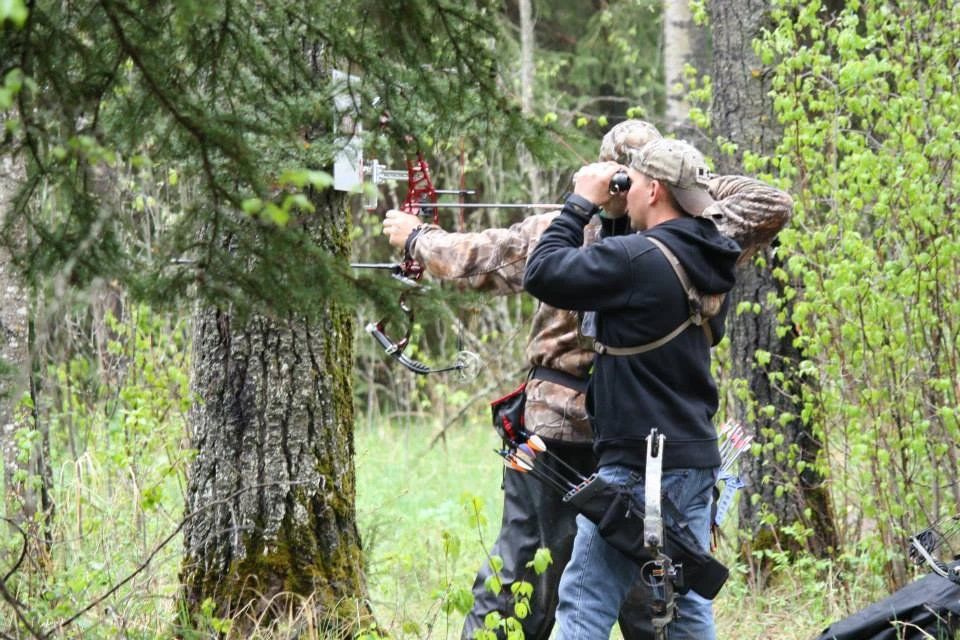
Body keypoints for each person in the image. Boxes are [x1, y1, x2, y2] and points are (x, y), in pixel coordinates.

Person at [382, 124, 792, 639]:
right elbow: (479, 256)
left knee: (626, 588)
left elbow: (770, 201)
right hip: (569, 433)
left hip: (630, 443)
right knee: (538, 568)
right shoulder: (698, 235)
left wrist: (668, 176)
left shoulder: (650, 235)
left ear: (650, 186)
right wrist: (421, 239)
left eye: (635, 178)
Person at [523, 138, 744, 639]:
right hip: (694, 459)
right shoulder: (709, 257)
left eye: (636, 180)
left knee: (584, 599)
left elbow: (544, 273)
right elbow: (633, 292)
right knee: (685, 604)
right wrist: (622, 217)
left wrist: (581, 202)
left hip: (640, 469)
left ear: (654, 189)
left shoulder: (635, 261)